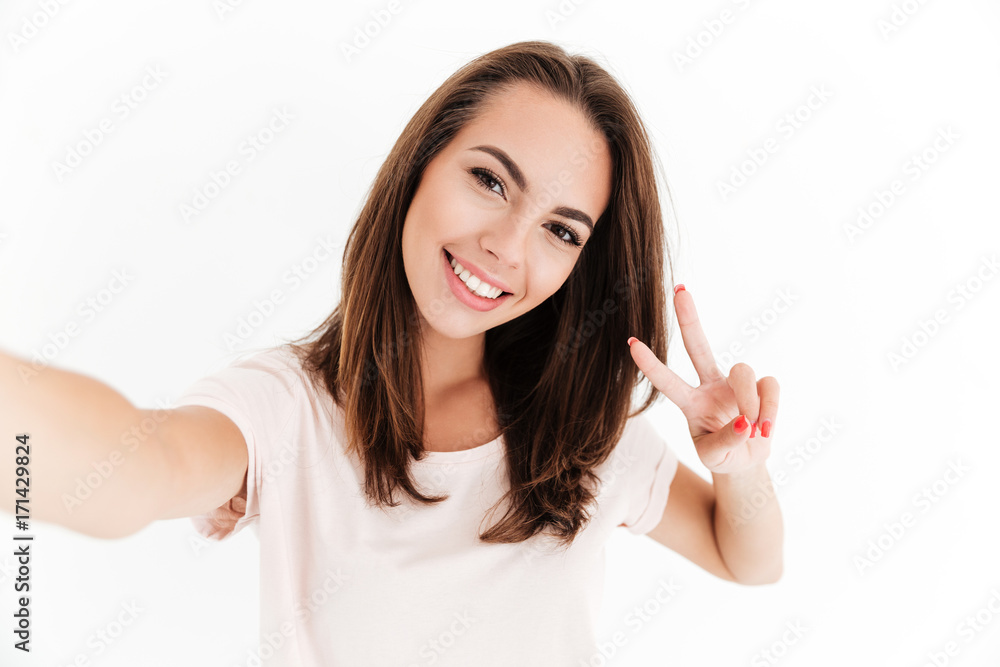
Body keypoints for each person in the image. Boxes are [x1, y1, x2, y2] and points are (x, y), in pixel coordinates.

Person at [1, 40, 783, 665]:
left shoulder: (583, 433)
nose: (507, 246)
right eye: (490, 180)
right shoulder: (285, 408)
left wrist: (739, 466)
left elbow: (746, 557)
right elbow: (140, 467)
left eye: (560, 229)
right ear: (419, 165)